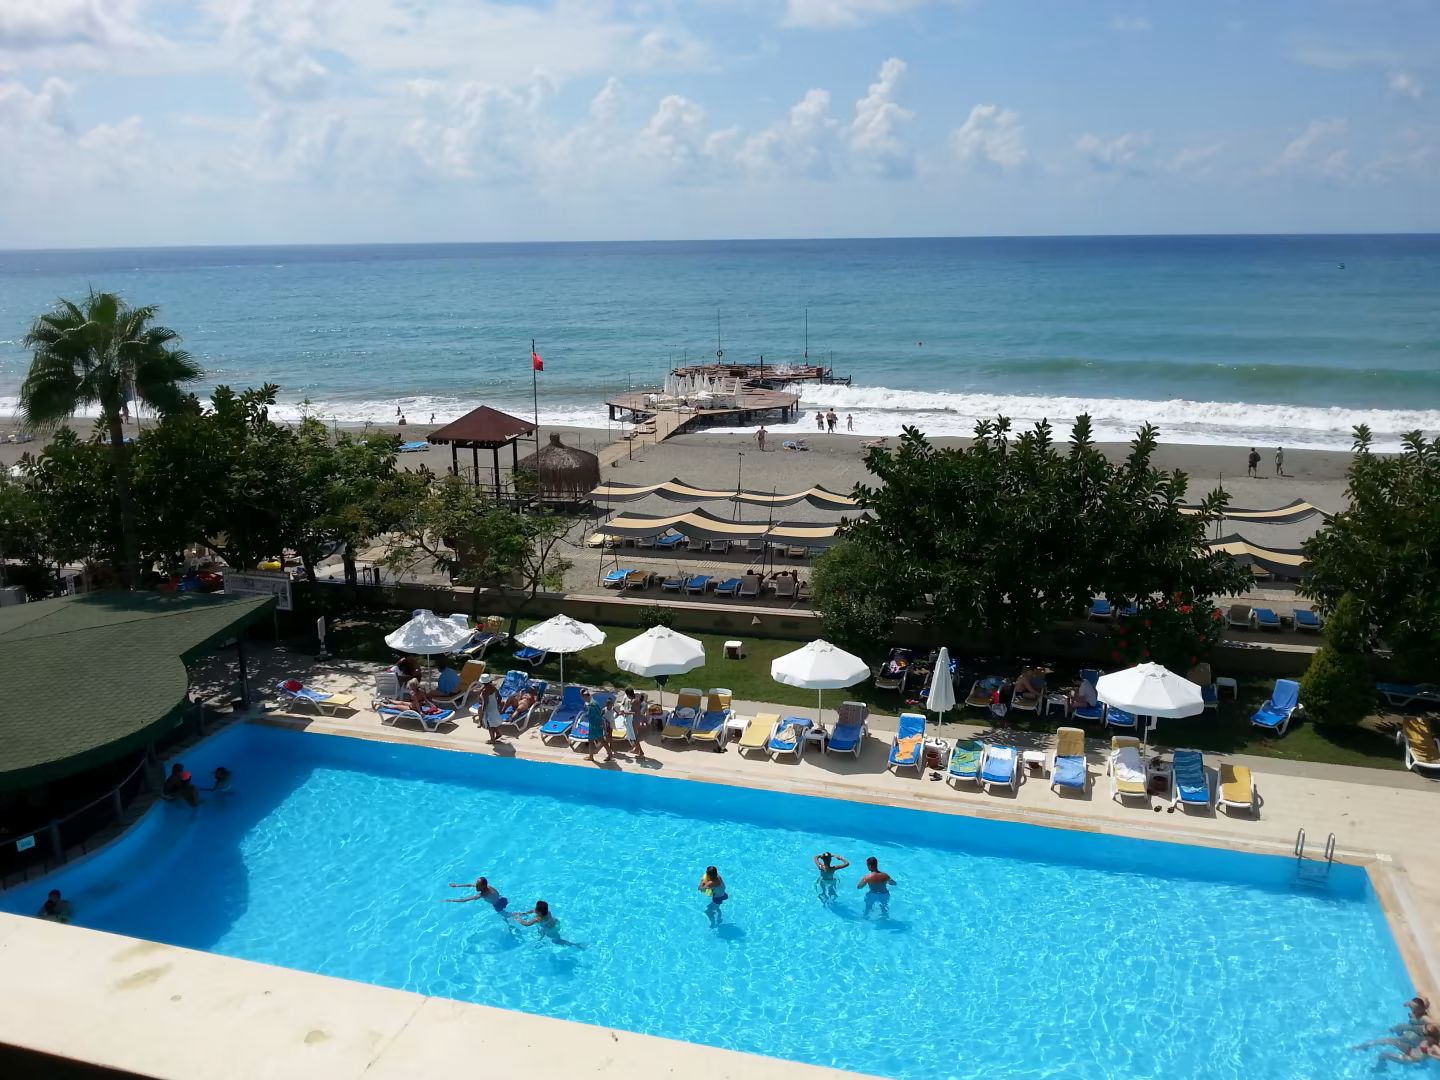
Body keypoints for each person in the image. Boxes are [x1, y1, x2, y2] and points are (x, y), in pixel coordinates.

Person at [511, 900, 583, 947]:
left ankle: (574, 945)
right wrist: (524, 913)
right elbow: (533, 910)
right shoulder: (547, 912)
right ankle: (541, 936)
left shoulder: (538, 918)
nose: (535, 909)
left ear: (539, 912)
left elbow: (526, 924)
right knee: (541, 930)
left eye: (536, 908)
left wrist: (517, 918)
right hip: (555, 923)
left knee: (556, 941)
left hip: (551, 930)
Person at [583, 689, 613, 763]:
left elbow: (598, 714)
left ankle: (610, 754)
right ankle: (591, 756)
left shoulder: (593, 704)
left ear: (587, 697)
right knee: (591, 740)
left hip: (596, 725)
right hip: (593, 724)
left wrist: (602, 725)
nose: (583, 699)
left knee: (601, 740)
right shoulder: (591, 703)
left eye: (584, 698)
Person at [444, 876, 508, 911]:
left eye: (478, 885)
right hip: (502, 899)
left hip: (498, 905)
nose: (476, 886)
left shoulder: (482, 894)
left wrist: (451, 900)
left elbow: (464, 900)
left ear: (483, 886)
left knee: (505, 917)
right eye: (476, 884)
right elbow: (470, 885)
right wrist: (456, 885)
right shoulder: (487, 887)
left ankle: (513, 915)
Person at [475, 673, 504, 744]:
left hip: (489, 710)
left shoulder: (485, 692)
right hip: (494, 708)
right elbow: (500, 697)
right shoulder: (492, 687)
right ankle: (498, 734)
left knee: (490, 726)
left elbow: (485, 703)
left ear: (482, 682)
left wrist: (482, 712)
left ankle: (492, 740)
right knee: (494, 723)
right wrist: (497, 705)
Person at [621, 688, 648, 759]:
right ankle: (636, 749)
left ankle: (641, 753)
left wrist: (626, 713)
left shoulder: (634, 701)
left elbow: (636, 712)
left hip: (635, 719)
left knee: (634, 737)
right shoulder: (635, 699)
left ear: (628, 694)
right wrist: (626, 711)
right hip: (636, 719)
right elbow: (634, 710)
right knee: (634, 736)